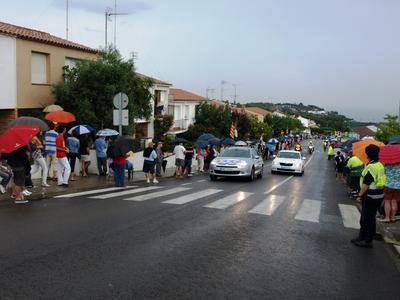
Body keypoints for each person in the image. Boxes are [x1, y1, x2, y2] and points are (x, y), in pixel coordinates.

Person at [351, 145, 386, 248]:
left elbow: (366, 183)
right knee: (367, 218)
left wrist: (359, 195)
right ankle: (362, 237)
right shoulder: (379, 165)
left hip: (371, 196)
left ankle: (367, 240)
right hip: (379, 195)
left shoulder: (371, 167)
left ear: (368, 154)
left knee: (367, 219)